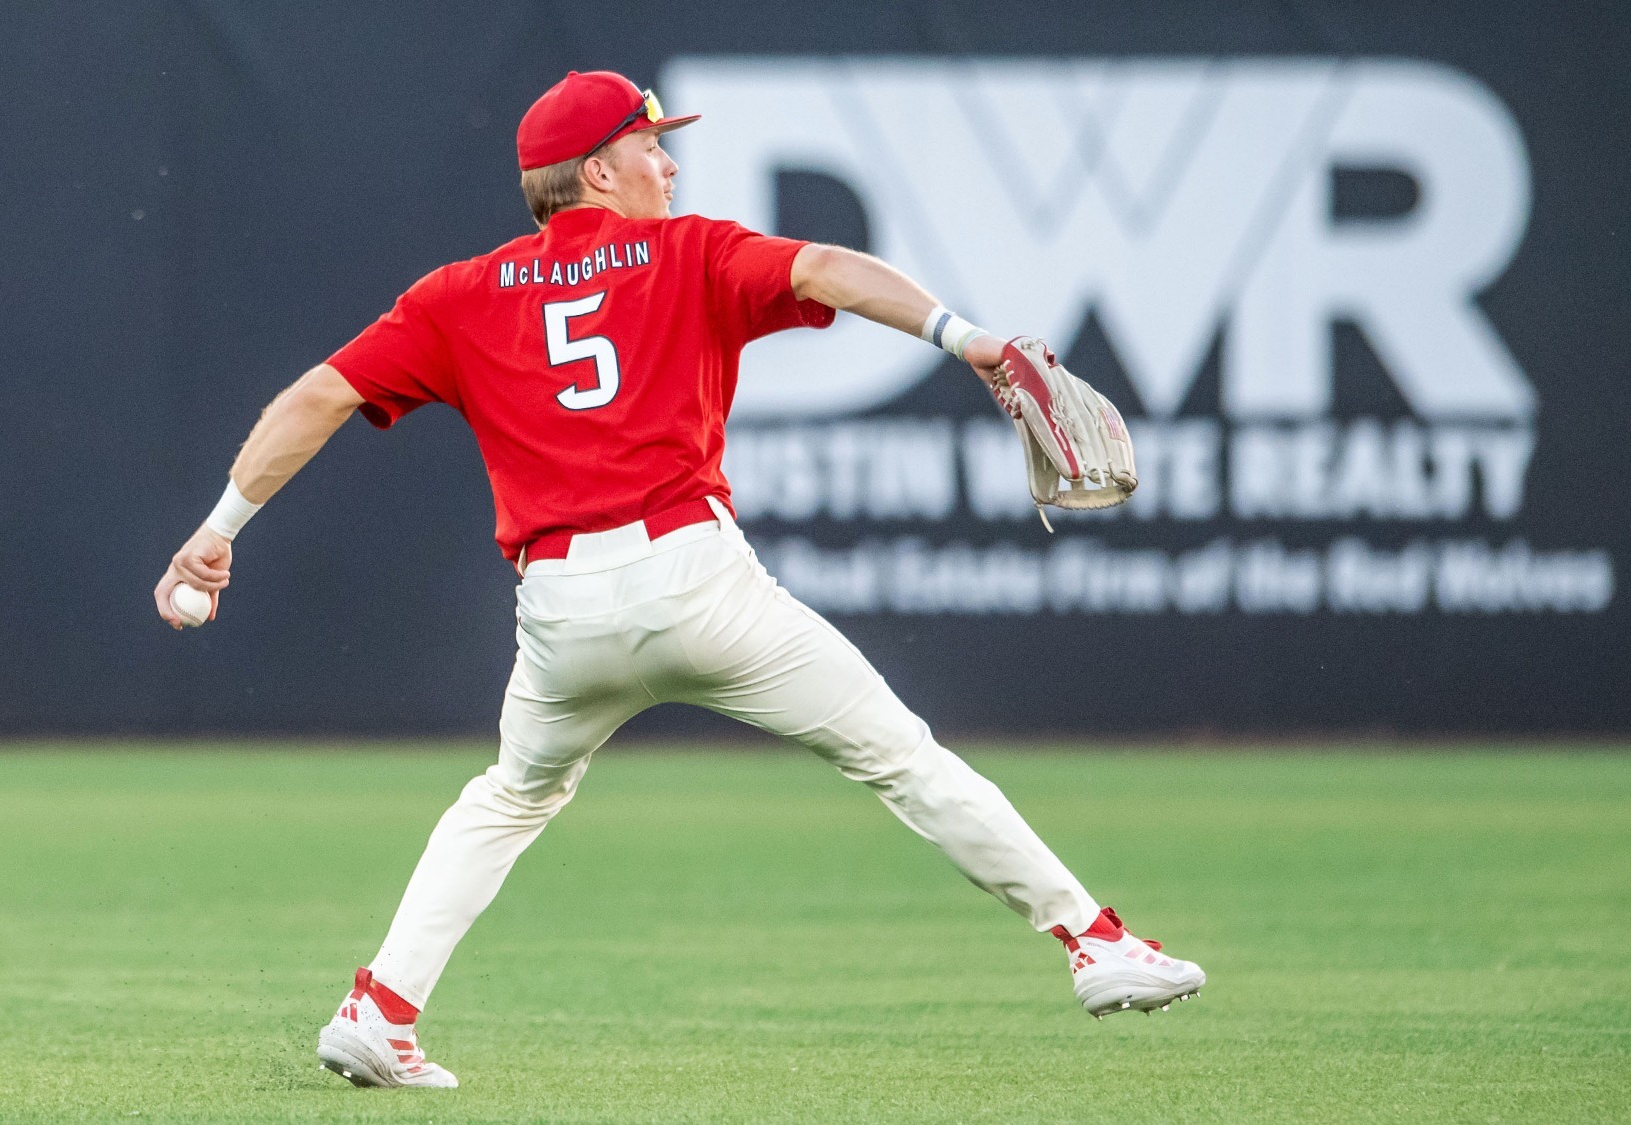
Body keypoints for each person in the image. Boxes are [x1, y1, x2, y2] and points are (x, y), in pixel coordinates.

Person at [154, 70, 1205, 1090]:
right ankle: (1093, 942)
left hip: (562, 608)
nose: (666, 162)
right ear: (597, 172)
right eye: (649, 145)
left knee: (509, 798)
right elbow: (827, 266)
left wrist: (216, 529)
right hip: (696, 580)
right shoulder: (686, 254)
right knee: (899, 756)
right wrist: (964, 339)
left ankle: (377, 1015)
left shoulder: (455, 297)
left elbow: (313, 397)